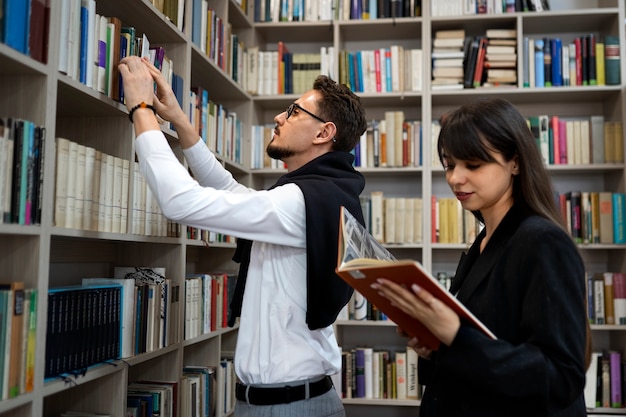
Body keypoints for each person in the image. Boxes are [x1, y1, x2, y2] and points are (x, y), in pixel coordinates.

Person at [118, 55, 368, 417]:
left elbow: (179, 202)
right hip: (296, 401)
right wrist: (179, 121)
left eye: (294, 111)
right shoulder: (323, 194)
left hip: (287, 408)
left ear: (323, 133)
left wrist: (140, 108)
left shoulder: (298, 201)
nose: (278, 118)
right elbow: (232, 190)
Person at [371, 97, 589, 416]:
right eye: (449, 165)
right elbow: (489, 341)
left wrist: (455, 338)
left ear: (514, 162)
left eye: (472, 164)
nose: (455, 178)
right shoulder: (485, 240)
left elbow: (561, 377)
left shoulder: (542, 241)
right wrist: (435, 344)